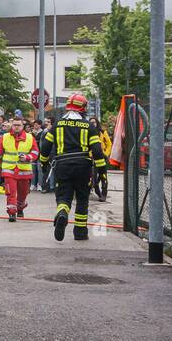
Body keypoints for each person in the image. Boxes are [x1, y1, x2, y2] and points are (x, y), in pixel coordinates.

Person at [39, 93, 108, 241]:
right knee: (82, 198)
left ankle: (62, 212)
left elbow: (45, 146)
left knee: (64, 196)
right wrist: (102, 173)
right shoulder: (89, 126)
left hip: (62, 165)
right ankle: (80, 232)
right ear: (82, 108)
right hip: (83, 166)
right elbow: (97, 151)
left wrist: (43, 164)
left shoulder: (58, 124)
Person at [0, 116, 38, 222]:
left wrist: (27, 158)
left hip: (24, 171)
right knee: (11, 193)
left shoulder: (30, 137)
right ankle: (12, 213)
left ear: (23, 126)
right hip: (9, 171)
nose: (16, 127)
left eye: (19, 125)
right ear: (12, 125)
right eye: (14, 125)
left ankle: (20, 208)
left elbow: (35, 152)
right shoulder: (4, 137)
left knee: (23, 193)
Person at [39, 118, 56, 193]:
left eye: (49, 122)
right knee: (46, 170)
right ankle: (44, 187)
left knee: (56, 171)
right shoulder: (45, 132)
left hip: (55, 154)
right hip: (47, 153)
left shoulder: (56, 131)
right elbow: (42, 143)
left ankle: (54, 187)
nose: (47, 124)